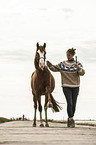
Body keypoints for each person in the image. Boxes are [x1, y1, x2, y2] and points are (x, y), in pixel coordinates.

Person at [47, 48, 85, 128]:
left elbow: (82, 73)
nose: (68, 56)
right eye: (67, 55)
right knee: (70, 103)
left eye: (69, 55)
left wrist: (78, 68)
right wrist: (50, 65)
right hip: (66, 86)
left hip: (75, 86)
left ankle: (70, 118)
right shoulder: (63, 64)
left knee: (74, 104)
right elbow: (54, 68)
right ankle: (71, 119)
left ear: (72, 55)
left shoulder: (77, 63)